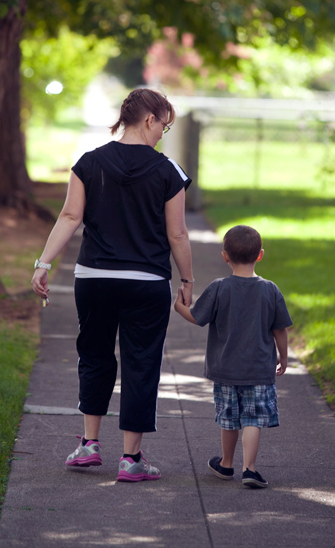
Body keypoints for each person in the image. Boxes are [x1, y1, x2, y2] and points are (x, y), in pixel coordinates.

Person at [31, 87, 194, 482]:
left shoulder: (89, 163)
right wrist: (187, 279)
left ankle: (89, 446)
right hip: (146, 282)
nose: (162, 134)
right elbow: (178, 235)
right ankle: (130, 459)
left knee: (95, 355)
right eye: (164, 126)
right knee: (141, 363)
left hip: (95, 279)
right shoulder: (167, 171)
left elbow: (70, 217)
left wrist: (43, 263)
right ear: (149, 119)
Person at [174, 224, 292, 489]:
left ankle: (226, 464)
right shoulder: (270, 289)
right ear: (260, 255)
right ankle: (249, 468)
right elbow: (280, 329)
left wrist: (179, 306)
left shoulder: (219, 288)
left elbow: (196, 317)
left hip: (225, 368)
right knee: (252, 418)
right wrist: (283, 357)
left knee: (229, 418)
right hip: (259, 369)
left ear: (224, 255)